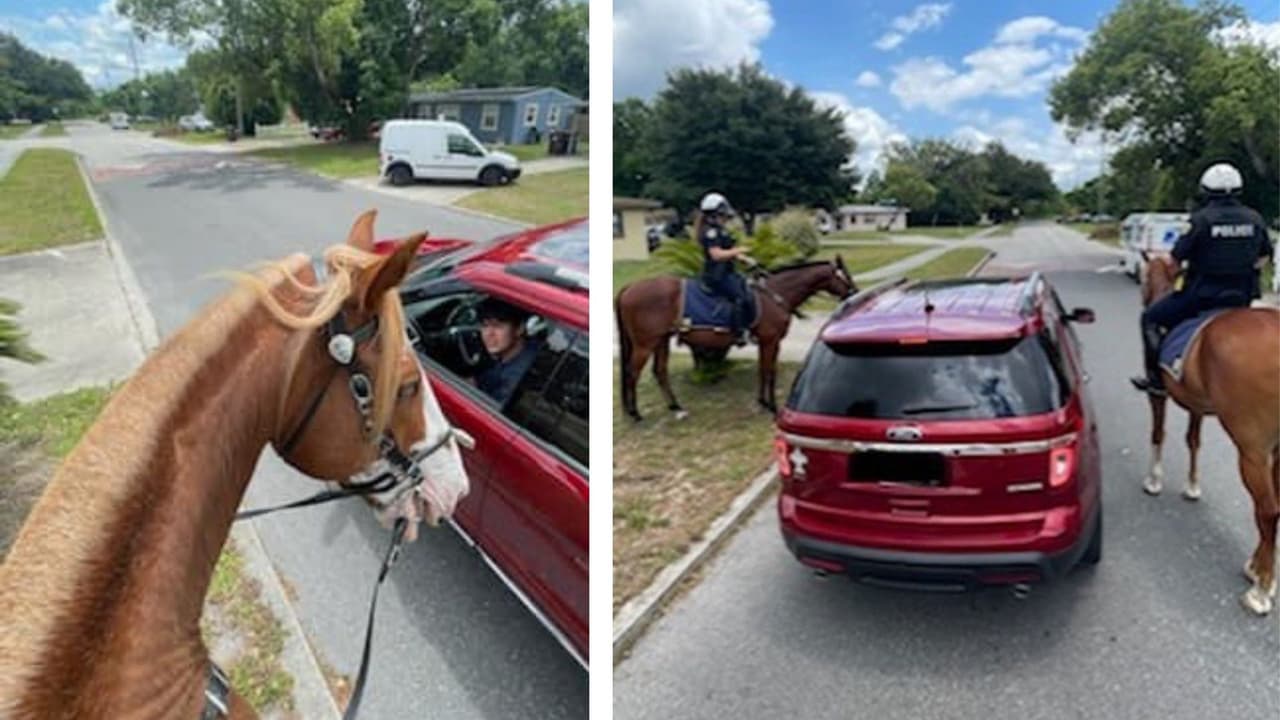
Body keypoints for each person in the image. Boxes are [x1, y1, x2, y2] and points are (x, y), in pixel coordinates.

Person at [1131, 163, 1274, 394]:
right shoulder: (1254, 218)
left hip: (1202, 296)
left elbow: (1176, 259)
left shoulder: (1200, 220)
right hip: (1242, 296)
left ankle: (1156, 381)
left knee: (1150, 319)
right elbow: (1264, 256)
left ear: (1206, 191)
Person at [696, 192, 752, 344]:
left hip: (726, 272)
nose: (725, 219)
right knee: (740, 297)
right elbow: (716, 255)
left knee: (748, 289)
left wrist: (744, 259)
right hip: (716, 276)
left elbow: (727, 251)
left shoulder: (721, 231)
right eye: (722, 216)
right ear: (712, 216)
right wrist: (737, 251)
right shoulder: (711, 233)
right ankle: (738, 333)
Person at [474, 298, 540, 406]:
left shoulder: (514, 378)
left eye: (497, 326)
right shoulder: (529, 348)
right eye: (485, 325)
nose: (488, 334)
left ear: (520, 329)